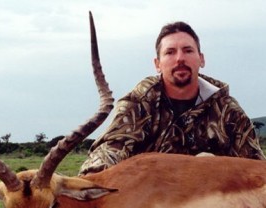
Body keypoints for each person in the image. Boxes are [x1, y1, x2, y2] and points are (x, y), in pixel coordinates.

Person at [79, 21, 265, 175]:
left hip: (212, 206)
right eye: (170, 52)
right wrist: (91, 179)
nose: (179, 59)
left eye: (187, 50)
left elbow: (256, 167)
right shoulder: (139, 103)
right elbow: (111, 148)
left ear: (201, 59)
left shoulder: (227, 110)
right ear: (157, 64)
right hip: (151, 205)